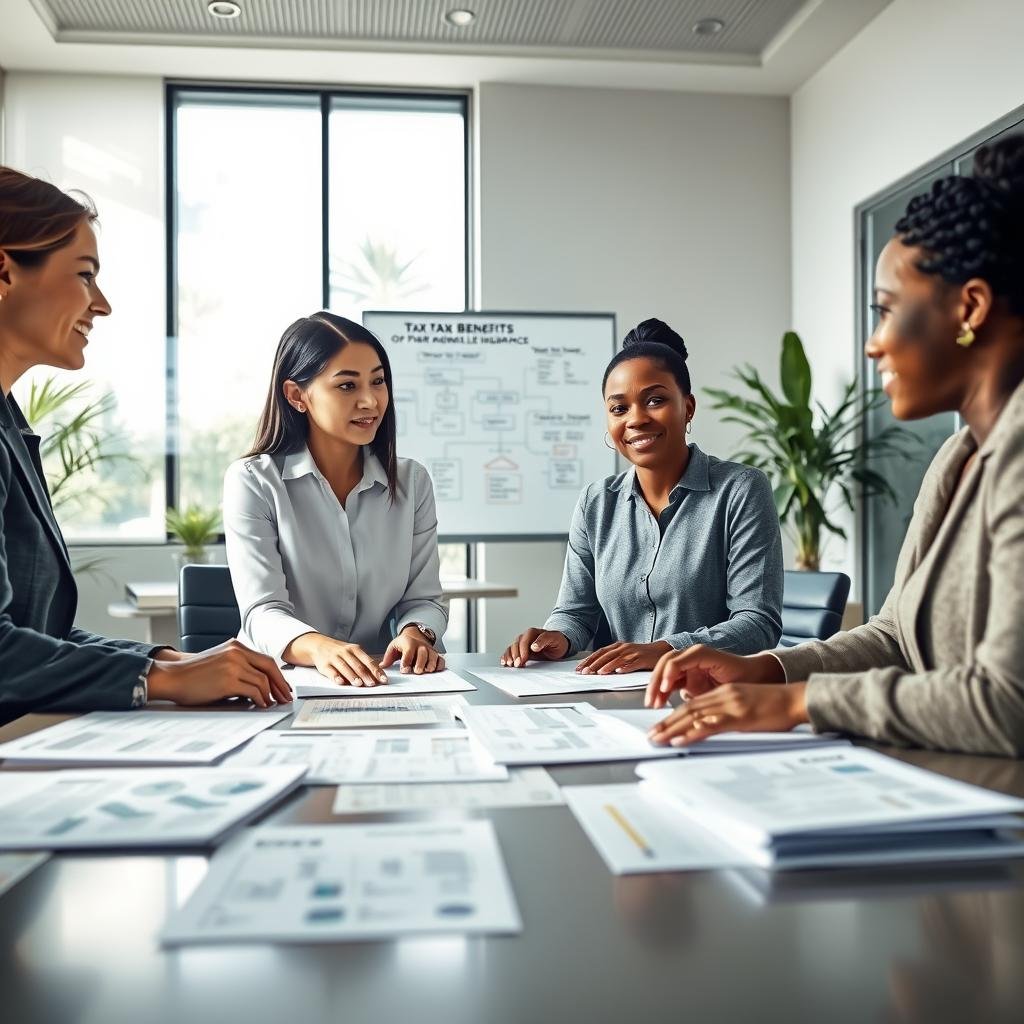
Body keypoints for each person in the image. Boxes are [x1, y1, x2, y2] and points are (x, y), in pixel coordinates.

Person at [646, 135, 1024, 758]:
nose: (874, 343)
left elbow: (1009, 703)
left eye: (886, 311)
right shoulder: (957, 461)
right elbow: (896, 637)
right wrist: (770, 671)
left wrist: (801, 704)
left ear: (970, 308)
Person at [0, 167, 291, 725]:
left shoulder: (10, 422)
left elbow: (41, 635)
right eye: (85, 275)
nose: (101, 303)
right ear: (4, 270)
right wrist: (161, 678)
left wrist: (166, 660)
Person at [501, 318, 783, 672]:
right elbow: (575, 613)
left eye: (655, 400)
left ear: (688, 407)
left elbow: (757, 624)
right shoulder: (596, 503)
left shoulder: (740, 489)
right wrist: (558, 637)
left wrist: (666, 650)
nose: (636, 419)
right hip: (611, 695)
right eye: (619, 408)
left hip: (706, 696)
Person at [223, 312, 448, 687]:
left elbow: (424, 598)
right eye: (347, 386)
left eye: (378, 382)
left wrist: (416, 634)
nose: (370, 401)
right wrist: (320, 648)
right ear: (297, 396)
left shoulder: (412, 482)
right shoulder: (254, 482)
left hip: (379, 682)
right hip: (277, 684)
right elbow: (262, 612)